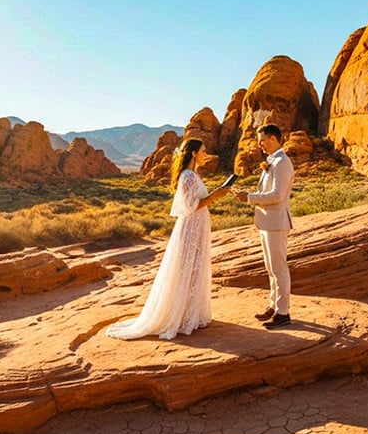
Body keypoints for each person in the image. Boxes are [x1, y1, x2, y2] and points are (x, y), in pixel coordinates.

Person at [105, 138, 230, 340]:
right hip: (191, 227)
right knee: (187, 268)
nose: (206, 154)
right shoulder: (188, 176)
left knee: (194, 268)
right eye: (203, 150)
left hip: (197, 227)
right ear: (193, 153)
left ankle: (190, 314)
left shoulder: (192, 174)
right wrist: (217, 195)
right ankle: (180, 316)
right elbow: (191, 206)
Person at [234, 123, 295, 329]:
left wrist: (249, 197)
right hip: (267, 222)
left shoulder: (282, 162)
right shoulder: (272, 162)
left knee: (279, 269)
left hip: (277, 223)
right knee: (271, 269)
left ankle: (283, 313)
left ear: (273, 139)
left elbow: (277, 195)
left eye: (262, 139)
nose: (259, 144)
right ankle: (273, 306)